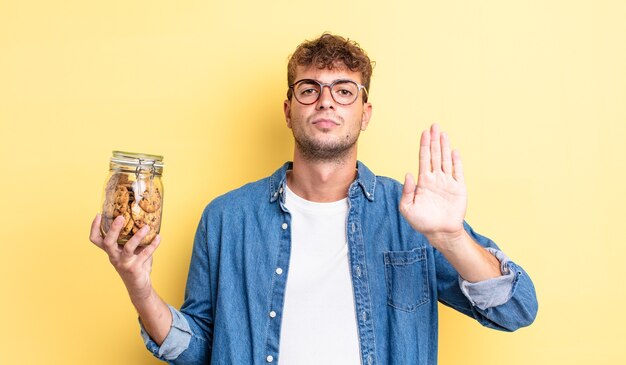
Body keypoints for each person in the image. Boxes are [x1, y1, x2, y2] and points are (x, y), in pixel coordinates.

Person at [89, 33, 538, 365]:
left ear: (365, 114)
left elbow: (515, 311)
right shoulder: (227, 218)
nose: (326, 101)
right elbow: (200, 348)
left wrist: (451, 236)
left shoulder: (413, 215)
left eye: (344, 91)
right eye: (310, 89)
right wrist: (139, 287)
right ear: (289, 110)